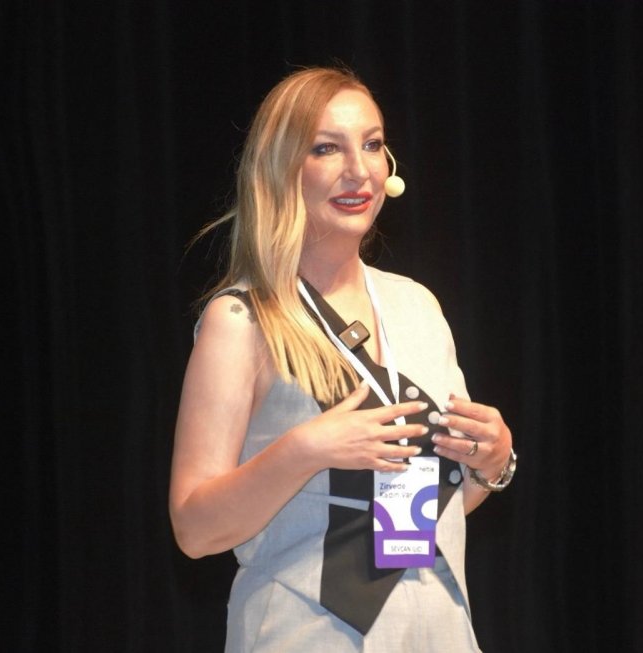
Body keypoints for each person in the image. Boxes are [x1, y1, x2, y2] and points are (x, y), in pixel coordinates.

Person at [169, 66, 516, 652]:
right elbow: (194, 529)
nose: (359, 170)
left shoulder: (417, 306)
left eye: (373, 145)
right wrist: (305, 449)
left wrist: (490, 463)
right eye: (326, 148)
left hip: (436, 628)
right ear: (281, 168)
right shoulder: (242, 320)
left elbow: (431, 499)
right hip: (305, 633)